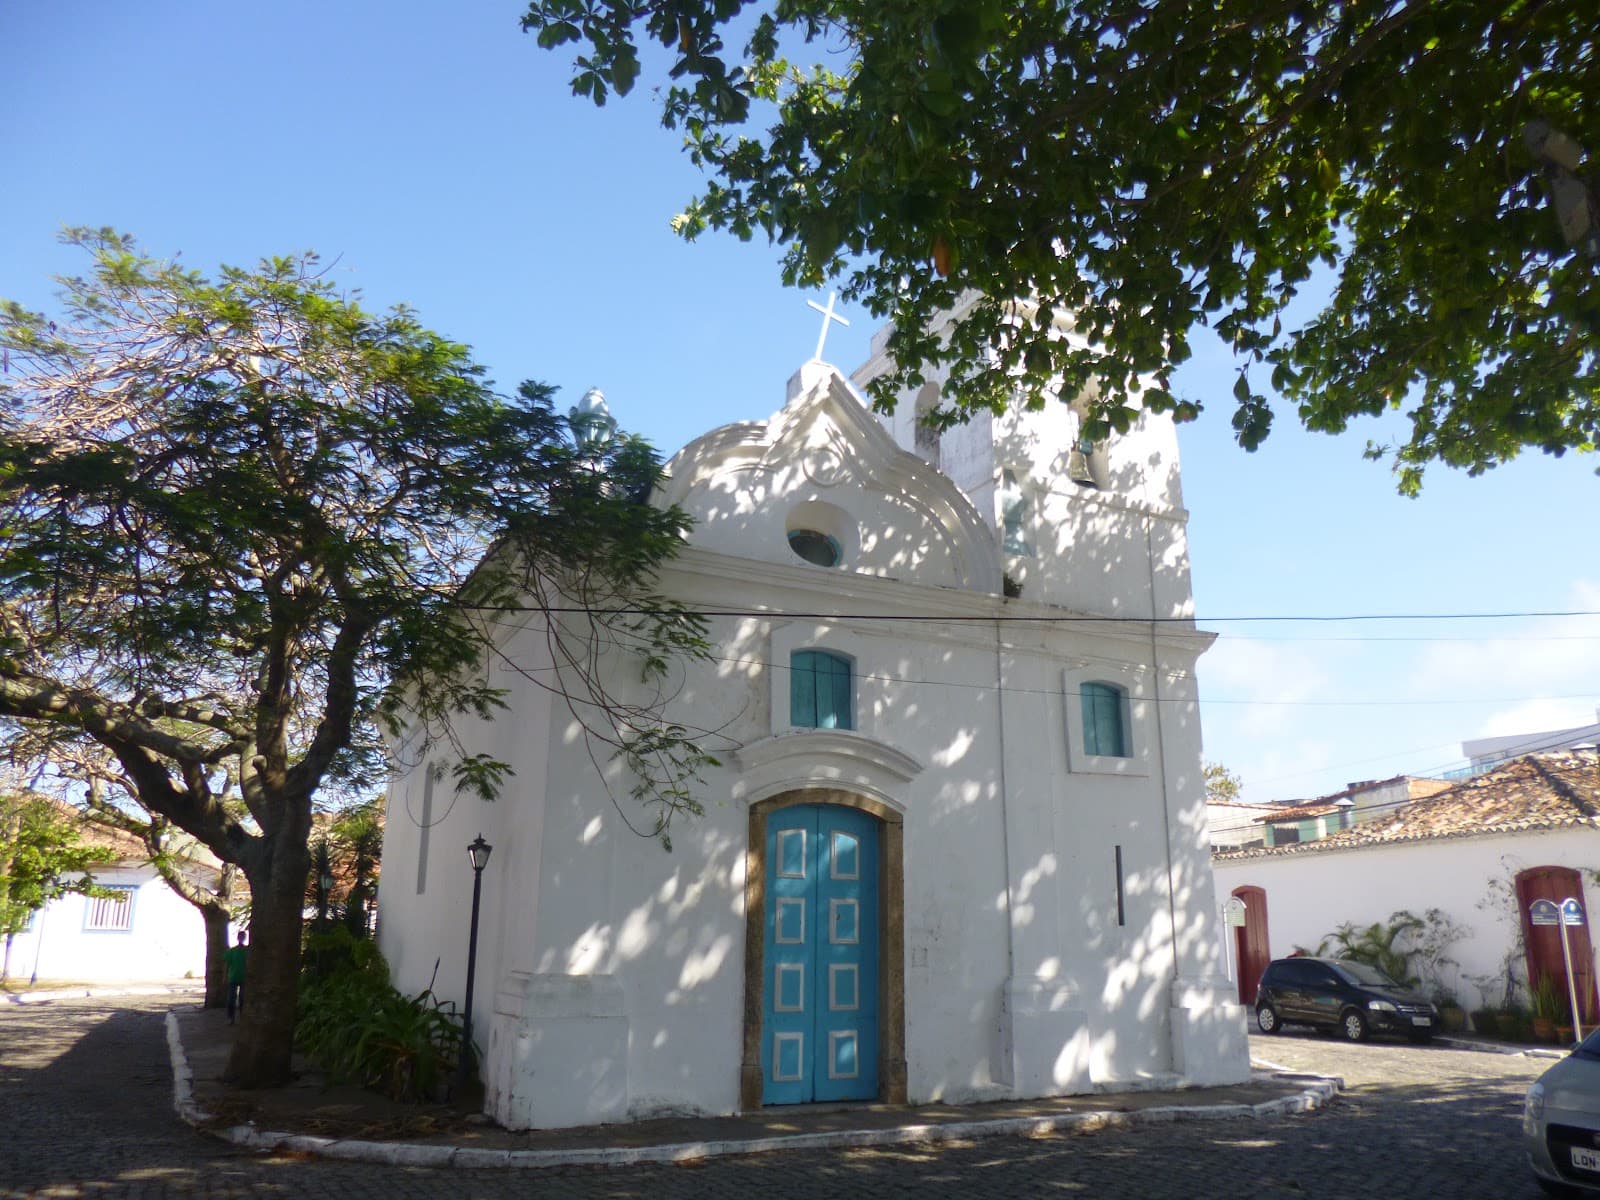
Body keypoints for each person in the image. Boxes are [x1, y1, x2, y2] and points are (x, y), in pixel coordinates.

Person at [223, 930, 248, 1023]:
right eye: (240, 937)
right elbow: (226, 964)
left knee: (243, 999)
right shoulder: (231, 951)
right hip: (232, 978)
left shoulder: (248, 950)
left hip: (244, 978)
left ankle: (242, 1017)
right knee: (231, 999)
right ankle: (231, 1018)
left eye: (243, 937)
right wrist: (224, 977)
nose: (241, 939)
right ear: (238, 938)